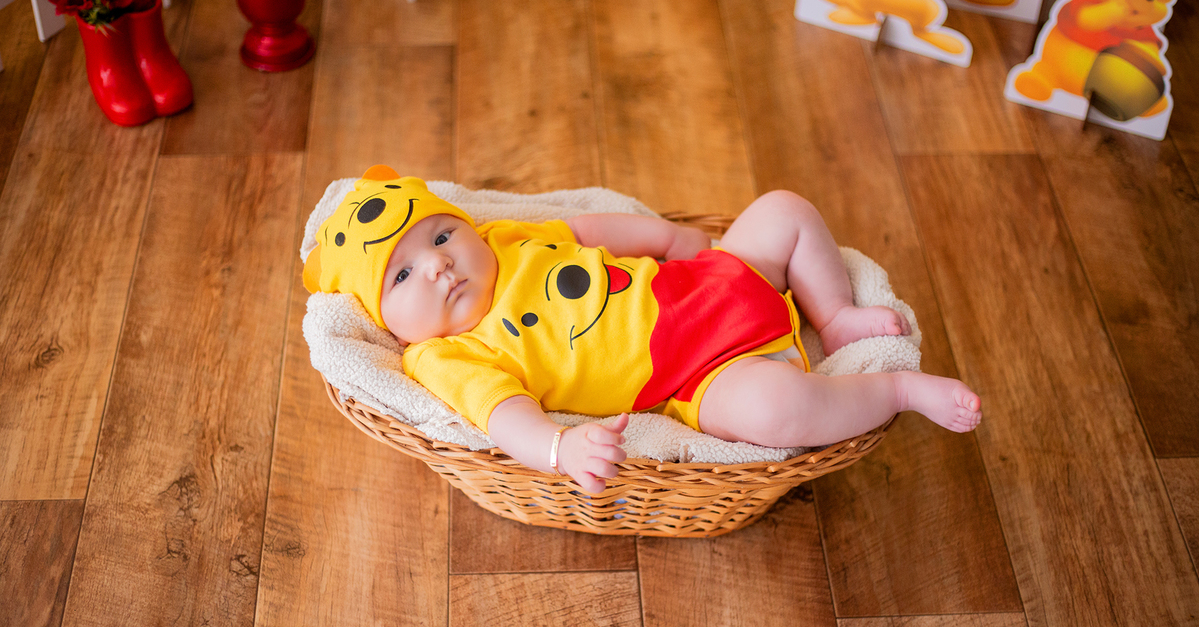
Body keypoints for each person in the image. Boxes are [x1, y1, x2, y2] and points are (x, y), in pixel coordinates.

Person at [304, 166, 981, 493]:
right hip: (702, 375)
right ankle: (895, 390)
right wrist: (557, 452)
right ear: (384, 320)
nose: (438, 265)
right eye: (401, 276)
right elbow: (502, 415)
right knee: (778, 411)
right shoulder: (446, 356)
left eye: (441, 234)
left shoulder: (506, 237)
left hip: (714, 279)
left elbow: (588, 226)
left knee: (784, 208)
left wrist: (668, 238)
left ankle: (831, 316)